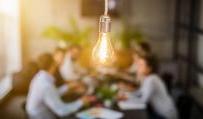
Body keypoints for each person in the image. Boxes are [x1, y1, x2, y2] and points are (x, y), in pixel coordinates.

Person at [26, 53, 94, 119]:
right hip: (41, 116)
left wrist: (68, 87)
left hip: (41, 111)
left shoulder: (41, 75)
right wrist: (81, 101)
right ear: (53, 64)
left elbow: (52, 94)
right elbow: (61, 111)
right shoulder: (45, 84)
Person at [129, 54, 178, 119]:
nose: (138, 67)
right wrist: (128, 94)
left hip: (166, 116)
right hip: (160, 113)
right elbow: (140, 92)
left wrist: (127, 97)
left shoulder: (152, 80)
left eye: (141, 65)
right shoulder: (148, 78)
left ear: (149, 68)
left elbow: (143, 100)